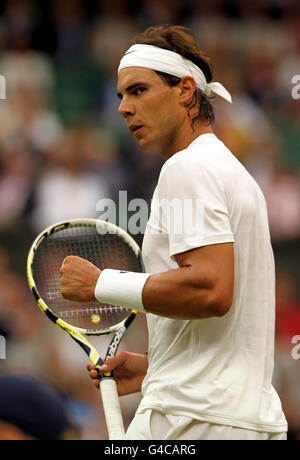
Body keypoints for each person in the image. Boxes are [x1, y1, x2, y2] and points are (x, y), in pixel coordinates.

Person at [60, 25, 288, 440]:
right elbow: (229, 322)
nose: (123, 108)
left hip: (192, 421)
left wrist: (101, 283)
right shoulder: (231, 171)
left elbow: (210, 291)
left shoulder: (187, 168)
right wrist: (153, 367)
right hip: (237, 420)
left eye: (139, 90)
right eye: (121, 96)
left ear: (185, 91)